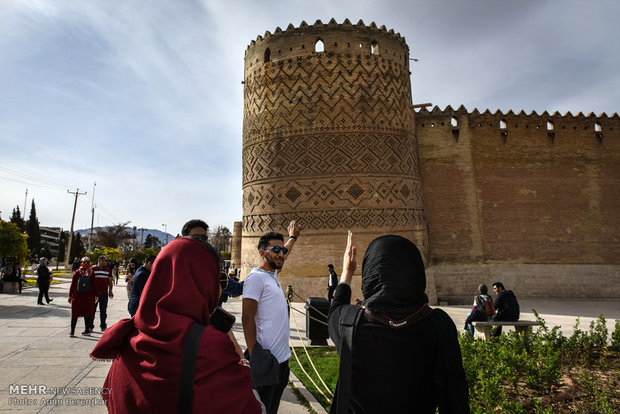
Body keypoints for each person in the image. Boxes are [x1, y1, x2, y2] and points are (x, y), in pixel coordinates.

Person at [90, 235, 262, 413]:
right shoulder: (209, 345)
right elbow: (250, 407)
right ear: (204, 281)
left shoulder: (128, 336)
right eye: (218, 280)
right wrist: (241, 359)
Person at [328, 232, 469, 413]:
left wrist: (347, 272)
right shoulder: (438, 326)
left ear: (370, 274)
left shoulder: (349, 323)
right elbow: (454, 398)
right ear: (416, 273)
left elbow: (335, 309)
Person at [242, 220, 301, 414]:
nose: (281, 253)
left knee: (272, 409)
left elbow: (283, 254)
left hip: (282, 362)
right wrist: (256, 355)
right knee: (261, 409)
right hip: (265, 362)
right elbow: (247, 318)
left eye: (282, 250)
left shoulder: (272, 275)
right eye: (276, 249)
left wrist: (292, 237)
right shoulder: (256, 278)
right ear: (261, 253)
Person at [68, 257, 97, 336]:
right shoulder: (91, 272)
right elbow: (94, 285)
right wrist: (96, 295)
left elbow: (73, 285)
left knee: (75, 314)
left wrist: (70, 295)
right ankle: (87, 330)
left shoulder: (77, 273)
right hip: (88, 296)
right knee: (87, 313)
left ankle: (72, 331)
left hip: (77, 296)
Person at [90, 255, 114, 331]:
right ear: (100, 261)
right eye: (106, 261)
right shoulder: (92, 269)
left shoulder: (108, 270)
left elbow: (110, 281)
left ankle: (103, 325)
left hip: (104, 294)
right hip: (94, 294)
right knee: (92, 310)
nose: (107, 262)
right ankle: (90, 326)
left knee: (103, 311)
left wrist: (110, 290)